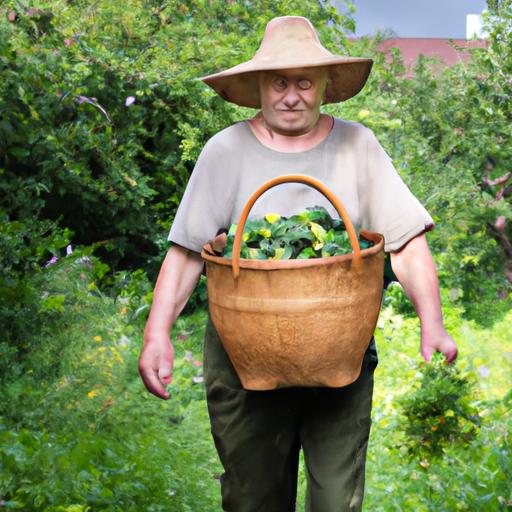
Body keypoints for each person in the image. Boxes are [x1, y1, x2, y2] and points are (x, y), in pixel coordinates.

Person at [138, 16, 458, 511]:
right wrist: (157, 334)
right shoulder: (224, 151)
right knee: (253, 498)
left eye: (305, 82)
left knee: (336, 499)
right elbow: (186, 253)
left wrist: (432, 325)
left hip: (339, 351)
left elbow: (407, 244)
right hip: (244, 356)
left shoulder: (359, 146)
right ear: (259, 87)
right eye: (279, 82)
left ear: (326, 88)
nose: (292, 95)